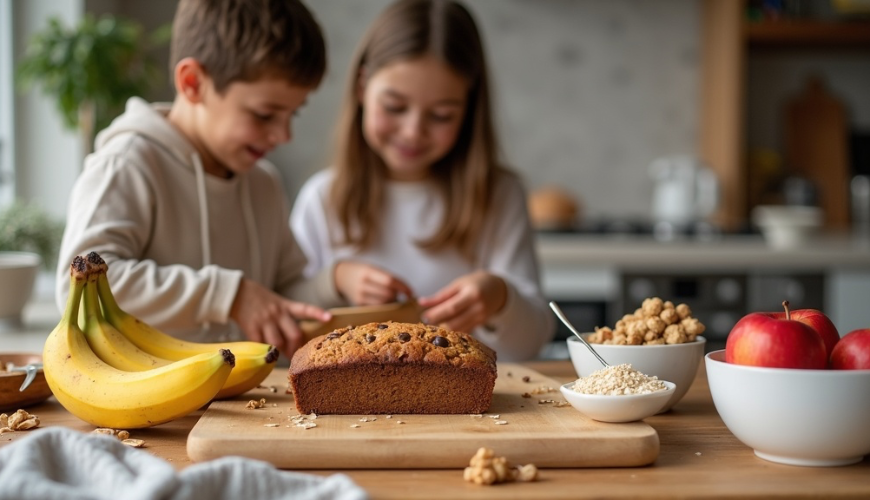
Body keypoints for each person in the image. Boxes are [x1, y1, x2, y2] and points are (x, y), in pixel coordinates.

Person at [55, 0, 337, 360]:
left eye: (292, 113)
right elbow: (76, 289)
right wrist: (227, 295)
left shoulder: (263, 183)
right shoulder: (128, 164)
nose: (283, 135)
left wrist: (335, 281)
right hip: (147, 408)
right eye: (264, 114)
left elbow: (281, 295)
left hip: (246, 405)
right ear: (193, 83)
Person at [290, 0, 554, 361]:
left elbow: (532, 343)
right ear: (362, 87)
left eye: (442, 115)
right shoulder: (322, 198)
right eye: (395, 107)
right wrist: (335, 281)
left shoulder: (498, 196)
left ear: (469, 109)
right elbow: (286, 331)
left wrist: (500, 298)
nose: (413, 132)